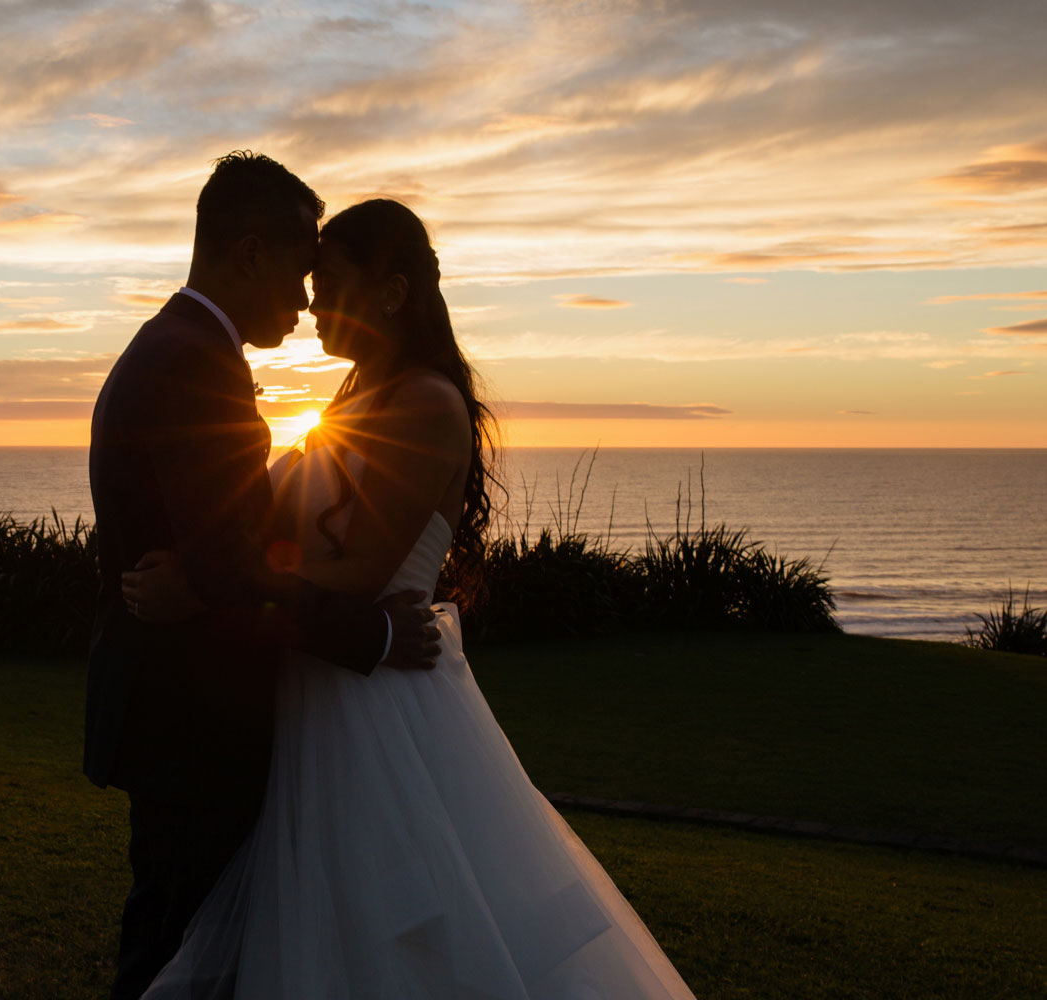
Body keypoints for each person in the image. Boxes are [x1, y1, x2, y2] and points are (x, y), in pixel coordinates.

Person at [122, 199, 699, 998]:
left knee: (396, 927)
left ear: (391, 294)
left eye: (330, 285)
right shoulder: (355, 397)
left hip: (380, 704)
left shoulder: (426, 406)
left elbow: (358, 572)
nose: (315, 303)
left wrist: (201, 585)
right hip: (323, 684)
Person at [85, 155, 442, 1000]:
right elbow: (232, 563)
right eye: (298, 266)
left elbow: (219, 556)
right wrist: (380, 633)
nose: (307, 294)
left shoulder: (176, 345)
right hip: (192, 720)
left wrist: (202, 579)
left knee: (191, 946)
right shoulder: (194, 362)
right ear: (247, 255)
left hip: (182, 712)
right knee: (178, 957)